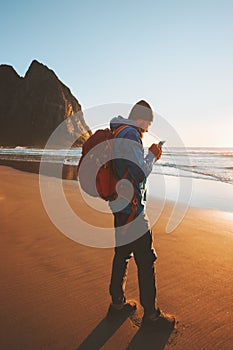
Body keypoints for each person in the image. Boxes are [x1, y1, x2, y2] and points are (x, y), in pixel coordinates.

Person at [108, 100, 175, 327]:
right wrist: (153, 155)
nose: (148, 128)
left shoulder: (118, 132)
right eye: (148, 123)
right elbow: (138, 172)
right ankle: (152, 315)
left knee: (122, 254)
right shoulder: (130, 135)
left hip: (120, 206)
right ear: (142, 119)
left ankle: (117, 302)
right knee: (146, 261)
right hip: (132, 210)